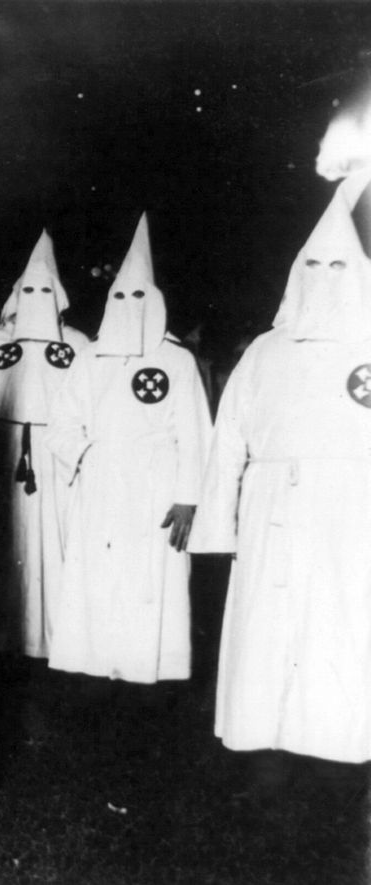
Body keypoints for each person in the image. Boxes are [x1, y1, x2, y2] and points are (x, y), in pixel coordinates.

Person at [191, 173, 371, 799]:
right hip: (273, 515)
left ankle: (341, 752)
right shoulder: (264, 352)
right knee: (269, 631)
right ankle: (266, 750)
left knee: (342, 629)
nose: (324, 277)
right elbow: (228, 444)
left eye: (338, 266)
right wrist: (218, 528)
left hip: (354, 516)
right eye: (312, 265)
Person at [44, 213, 210, 689]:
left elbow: (195, 433)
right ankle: (97, 665)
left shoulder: (176, 360)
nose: (128, 305)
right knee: (98, 574)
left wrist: (188, 497)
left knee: (149, 578)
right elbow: (61, 424)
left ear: (156, 302)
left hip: (157, 486)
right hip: (99, 483)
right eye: (119, 296)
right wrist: (86, 455)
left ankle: (146, 668)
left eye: (139, 296)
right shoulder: (88, 358)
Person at [0, 230, 89, 660]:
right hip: (3, 461)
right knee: (4, 546)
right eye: (29, 290)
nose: (37, 299)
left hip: (59, 463)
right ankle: (1, 638)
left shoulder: (78, 346)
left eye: (45, 291)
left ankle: (58, 637)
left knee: (59, 544)